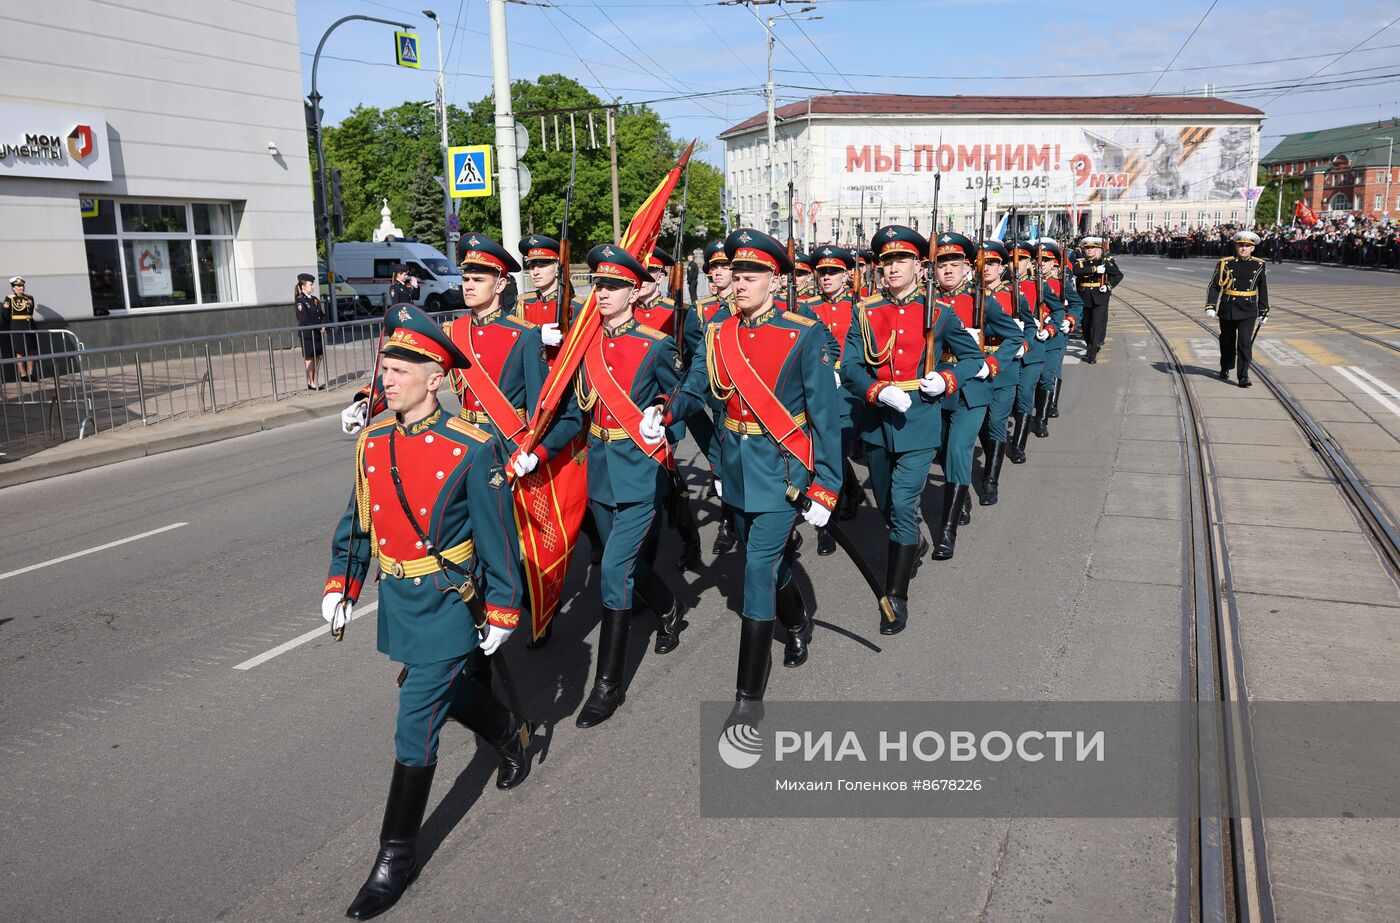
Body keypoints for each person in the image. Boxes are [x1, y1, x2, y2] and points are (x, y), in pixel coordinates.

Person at [322, 304, 532, 919]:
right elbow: (359, 524)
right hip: (401, 601)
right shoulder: (373, 441)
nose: (387, 379)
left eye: (401, 368)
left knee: (414, 723)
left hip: (446, 601)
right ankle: (508, 735)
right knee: (447, 694)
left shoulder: (471, 446)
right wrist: (343, 582)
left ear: (436, 376)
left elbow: (498, 538)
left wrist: (501, 609)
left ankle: (395, 857)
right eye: (384, 367)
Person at [669, 228, 842, 724]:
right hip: (736, 467)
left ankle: (748, 696)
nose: (739, 284)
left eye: (751, 276)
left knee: (756, 570)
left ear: (775, 278)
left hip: (781, 469)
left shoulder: (800, 333)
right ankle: (796, 619)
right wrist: (666, 411)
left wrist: (827, 486)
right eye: (736, 275)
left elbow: (824, 418)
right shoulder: (718, 331)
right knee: (765, 562)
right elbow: (698, 386)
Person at [840, 226, 984, 634]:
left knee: (903, 504)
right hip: (878, 421)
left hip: (920, 419)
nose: (891, 268)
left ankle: (896, 597)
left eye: (900, 260)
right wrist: (874, 390)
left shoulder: (937, 311)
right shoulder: (865, 311)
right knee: (886, 504)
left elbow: (972, 357)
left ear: (919, 267)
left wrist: (947, 379)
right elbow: (850, 367)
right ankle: (914, 542)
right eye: (886, 261)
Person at [572, 244, 689, 727]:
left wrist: (663, 413)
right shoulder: (585, 344)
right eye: (598, 284)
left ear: (634, 291)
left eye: (613, 286)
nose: (602, 293)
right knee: (630, 565)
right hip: (599, 466)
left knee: (614, 570)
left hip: (639, 469)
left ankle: (607, 686)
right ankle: (667, 607)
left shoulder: (653, 343)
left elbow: (680, 392)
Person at [931, 233, 1021, 559]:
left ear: (967, 267)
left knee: (959, 448)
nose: (948, 271)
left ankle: (946, 531)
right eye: (942, 266)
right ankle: (962, 493)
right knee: (942, 451)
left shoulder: (981, 299)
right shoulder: (928, 301)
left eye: (955, 264)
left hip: (972, 390)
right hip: (937, 388)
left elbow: (1014, 335)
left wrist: (992, 364)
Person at [809, 245, 864, 555]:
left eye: (833, 272)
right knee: (823, 452)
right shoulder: (806, 306)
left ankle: (825, 526)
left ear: (847, 275)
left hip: (846, 390)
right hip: (816, 387)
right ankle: (853, 490)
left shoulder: (859, 306)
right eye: (822, 272)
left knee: (834, 450)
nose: (826, 277)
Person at [974, 239, 1033, 506]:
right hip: (974, 367)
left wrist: (1023, 343)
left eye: (993, 263)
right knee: (980, 426)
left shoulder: (1013, 295)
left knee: (996, 421)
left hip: (1004, 368)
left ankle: (990, 482)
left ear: (1001, 268)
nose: (987, 268)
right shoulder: (969, 295)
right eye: (982, 263)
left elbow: (1029, 328)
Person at [1006, 241, 1058, 466]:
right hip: (1007, 353)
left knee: (1025, 395)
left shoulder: (1039, 285)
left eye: (1021, 260)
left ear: (1030, 262)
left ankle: (1018, 445)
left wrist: (1048, 327)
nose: (1015, 264)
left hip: (1032, 350)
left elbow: (1059, 310)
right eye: (1010, 260)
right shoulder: (1000, 287)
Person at [1206, 230, 1270, 388]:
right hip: (1228, 307)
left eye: (1247, 246)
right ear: (1236, 247)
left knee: (1244, 343)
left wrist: (1263, 311)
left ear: (1252, 248)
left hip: (1248, 309)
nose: (1243, 248)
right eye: (1241, 245)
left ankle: (1243, 376)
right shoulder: (1225, 263)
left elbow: (1263, 289)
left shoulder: (1259, 264)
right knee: (1227, 342)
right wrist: (1211, 305)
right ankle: (1226, 366)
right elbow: (1214, 286)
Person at [1071, 236, 1123, 363]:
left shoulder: (1104, 261)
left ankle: (1092, 354)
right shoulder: (1080, 262)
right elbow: (1077, 271)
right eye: (1087, 248)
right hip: (1084, 297)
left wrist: (1108, 286)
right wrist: (1095, 269)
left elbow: (1118, 275)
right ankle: (1090, 345)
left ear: (1097, 249)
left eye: (1092, 248)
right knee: (1086, 326)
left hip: (1100, 297)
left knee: (1096, 325)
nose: (1089, 250)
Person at [515, 235, 568, 357]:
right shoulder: (522, 304)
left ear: (557, 268)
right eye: (532, 266)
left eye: (543, 265)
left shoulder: (575, 306)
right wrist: (537, 335)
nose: (535, 272)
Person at [293, 272, 326, 391]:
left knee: (318, 356)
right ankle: (310, 382)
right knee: (309, 357)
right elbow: (304, 319)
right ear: (303, 286)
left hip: (316, 332)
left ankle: (313, 378)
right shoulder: (300, 300)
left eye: (313, 284)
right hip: (307, 334)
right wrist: (318, 327)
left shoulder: (315, 300)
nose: (313, 286)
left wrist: (323, 325)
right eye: (311, 284)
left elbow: (321, 315)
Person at [4, 276, 37, 382]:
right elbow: (5, 314)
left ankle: (31, 373)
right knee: (20, 351)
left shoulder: (29, 297)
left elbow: (30, 312)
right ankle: (23, 374)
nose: (21, 288)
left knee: (30, 350)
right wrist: (11, 324)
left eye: (22, 285)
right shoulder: (9, 298)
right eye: (18, 286)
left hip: (29, 325)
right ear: (13, 288)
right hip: (16, 325)